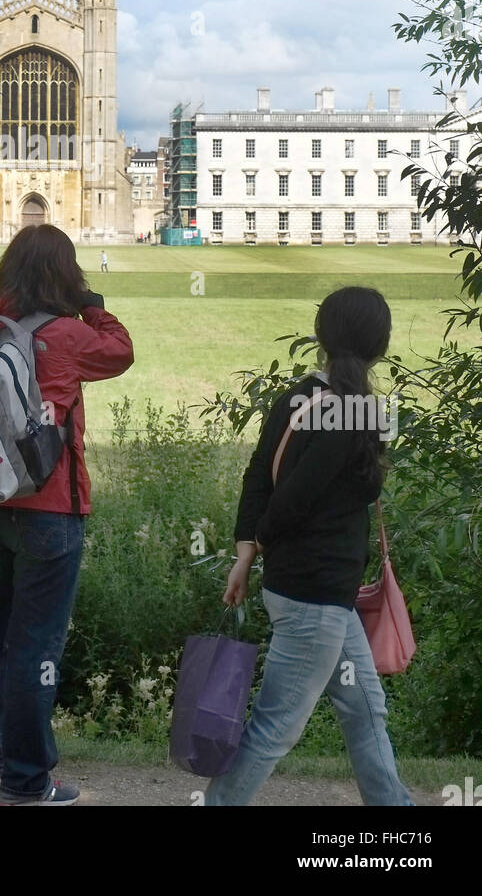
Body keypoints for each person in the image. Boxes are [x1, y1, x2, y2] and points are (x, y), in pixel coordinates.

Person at [206, 286, 413, 806]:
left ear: (322, 335)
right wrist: (266, 541)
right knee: (276, 727)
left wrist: (246, 554)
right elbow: (294, 499)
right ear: (378, 345)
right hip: (315, 596)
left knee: (366, 710)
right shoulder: (359, 412)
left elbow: (259, 475)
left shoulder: (298, 397)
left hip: (317, 595)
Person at [0, 222, 134, 805]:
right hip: (48, 504)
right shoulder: (68, 334)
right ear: (66, 275)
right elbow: (121, 351)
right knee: (35, 648)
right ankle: (27, 780)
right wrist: (93, 307)